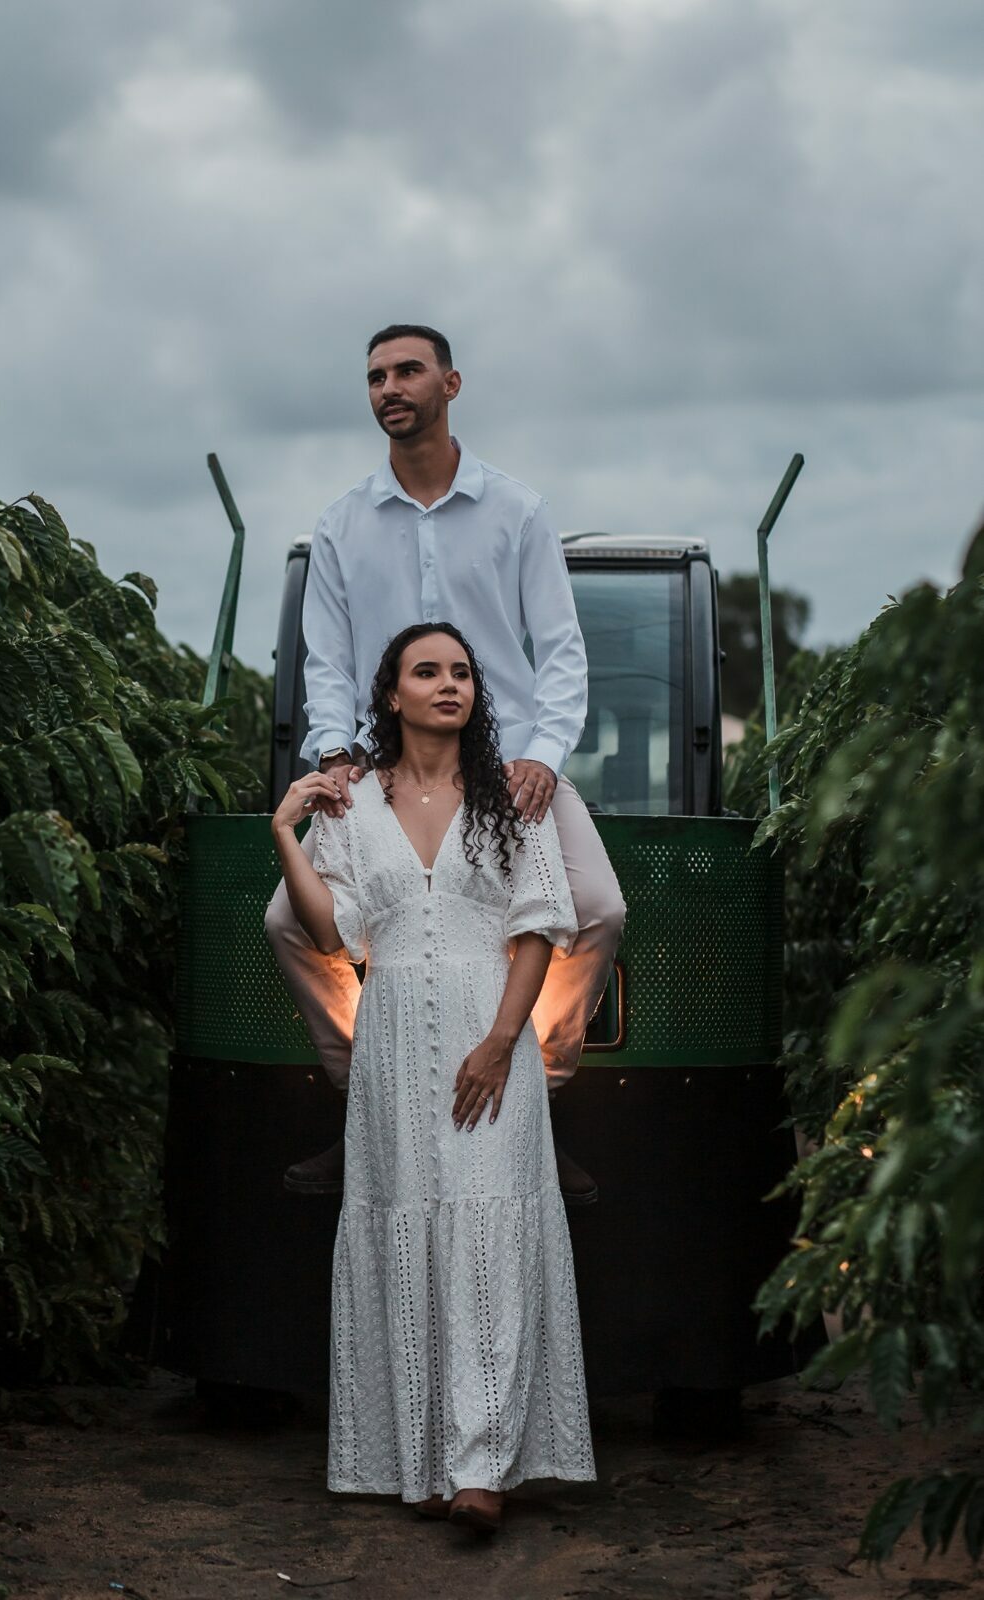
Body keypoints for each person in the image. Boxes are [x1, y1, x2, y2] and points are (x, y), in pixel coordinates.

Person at [265, 323, 625, 1203]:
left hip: (508, 766)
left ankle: (533, 1097)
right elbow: (326, 661)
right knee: (286, 923)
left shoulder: (517, 511)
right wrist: (337, 755)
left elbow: (561, 652)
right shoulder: (342, 523)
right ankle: (365, 1100)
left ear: (450, 384)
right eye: (375, 377)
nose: (389, 388)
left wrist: (542, 757)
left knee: (598, 909)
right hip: (382, 766)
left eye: (407, 371)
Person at [271, 623, 595, 1528]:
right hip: (390, 1047)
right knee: (406, 1222)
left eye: (461, 672)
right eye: (427, 671)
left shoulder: (510, 799)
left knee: (489, 1231)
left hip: (487, 1034)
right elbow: (330, 932)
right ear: (391, 695)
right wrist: (285, 831)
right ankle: (422, 1459)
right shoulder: (350, 806)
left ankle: (481, 1467)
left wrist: (502, 1042)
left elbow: (538, 927)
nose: (448, 684)